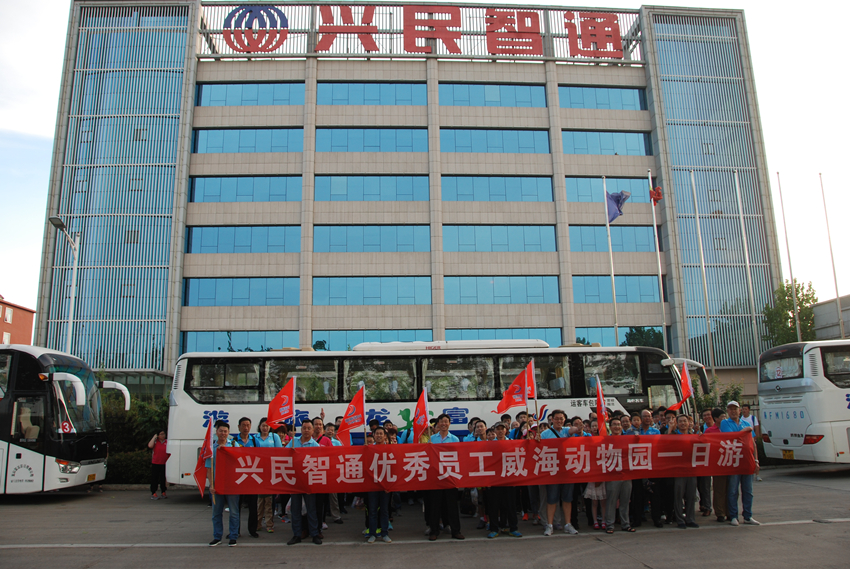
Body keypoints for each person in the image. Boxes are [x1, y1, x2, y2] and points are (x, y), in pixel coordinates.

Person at [540, 409, 579, 536]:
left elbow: (574, 430)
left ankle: (568, 524)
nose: (559, 421)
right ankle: (549, 525)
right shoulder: (545, 433)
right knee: (552, 499)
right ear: (551, 419)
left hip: (567, 470)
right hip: (552, 471)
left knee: (567, 498)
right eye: (556, 418)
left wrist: (577, 427)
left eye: (561, 419)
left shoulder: (567, 431)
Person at [720, 401, 760, 527]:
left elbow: (753, 443)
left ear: (739, 411)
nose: (733, 411)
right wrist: (746, 431)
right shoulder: (725, 423)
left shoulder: (746, 423)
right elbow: (732, 437)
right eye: (730, 409)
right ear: (727, 411)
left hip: (747, 461)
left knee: (748, 491)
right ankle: (733, 516)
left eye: (735, 409)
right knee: (733, 490)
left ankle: (748, 516)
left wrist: (756, 460)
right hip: (733, 461)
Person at [428, 414, 464, 541]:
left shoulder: (454, 439)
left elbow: (459, 457)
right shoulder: (432, 439)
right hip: (436, 478)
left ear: (449, 423)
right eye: (441, 422)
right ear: (437, 424)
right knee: (435, 506)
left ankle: (456, 530)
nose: (443, 424)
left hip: (450, 477)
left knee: (452, 506)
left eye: (446, 421)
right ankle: (434, 530)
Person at [288, 420, 322, 545]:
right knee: (295, 510)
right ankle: (296, 534)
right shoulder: (293, 442)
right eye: (304, 428)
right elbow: (282, 456)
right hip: (295, 481)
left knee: (311, 509)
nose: (306, 430)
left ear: (313, 430)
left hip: (309, 482)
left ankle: (314, 533)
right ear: (300, 429)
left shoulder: (315, 446)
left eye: (309, 428)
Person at [486, 423, 522, 538]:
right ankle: (494, 528)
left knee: (510, 505)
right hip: (495, 480)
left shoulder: (513, 442)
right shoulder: (490, 445)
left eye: (502, 429)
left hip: (509, 478)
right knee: (494, 506)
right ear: (495, 431)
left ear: (506, 430)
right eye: (498, 429)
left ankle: (513, 528)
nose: (500, 431)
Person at [208, 420, 239, 547]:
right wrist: (211, 485)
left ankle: (233, 536)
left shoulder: (234, 445)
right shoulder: (211, 448)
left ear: (229, 433)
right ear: (216, 432)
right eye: (220, 431)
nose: (223, 433)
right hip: (217, 485)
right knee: (216, 512)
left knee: (234, 512)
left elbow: (239, 461)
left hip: (231, 484)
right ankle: (217, 536)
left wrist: (227, 450)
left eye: (225, 431)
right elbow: (208, 468)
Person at [604, 417, 635, 534]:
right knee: (611, 501)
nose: (617, 427)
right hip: (613, 475)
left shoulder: (627, 439)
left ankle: (625, 524)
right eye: (614, 425)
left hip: (626, 474)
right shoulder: (606, 440)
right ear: (610, 427)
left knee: (625, 501)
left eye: (619, 424)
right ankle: (609, 525)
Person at [670, 414, 699, 529]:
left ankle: (690, 518)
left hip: (691, 470)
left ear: (688, 423)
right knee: (678, 495)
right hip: (679, 470)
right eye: (680, 421)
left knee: (691, 495)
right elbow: (665, 443)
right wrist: (670, 429)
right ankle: (680, 519)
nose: (683, 423)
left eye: (685, 421)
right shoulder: (674, 435)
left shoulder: (694, 436)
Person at [232, 417, 259, 538]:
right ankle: (235, 530)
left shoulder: (254, 440)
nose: (246, 428)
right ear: (239, 427)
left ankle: (252, 530)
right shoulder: (234, 441)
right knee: (236, 506)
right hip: (239, 477)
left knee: (253, 506)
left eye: (248, 425)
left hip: (252, 477)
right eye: (243, 425)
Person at [366, 427, 393, 543]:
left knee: (384, 510)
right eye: (377, 434)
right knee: (372, 510)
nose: (379, 436)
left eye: (381, 434)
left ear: (385, 436)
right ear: (373, 435)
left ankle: (384, 533)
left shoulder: (390, 449)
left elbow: (393, 468)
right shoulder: (369, 449)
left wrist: (390, 485)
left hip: (385, 485)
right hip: (372, 485)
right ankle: (373, 533)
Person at [255, 418, 282, 533]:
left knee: (269, 500)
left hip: (271, 470)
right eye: (263, 426)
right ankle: (258, 523)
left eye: (267, 426)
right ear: (259, 427)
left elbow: (280, 452)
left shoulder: (274, 437)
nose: (265, 428)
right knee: (260, 500)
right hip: (258, 471)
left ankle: (269, 524)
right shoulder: (255, 438)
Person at [704, 408, 728, 522]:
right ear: (716, 419)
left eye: (725, 417)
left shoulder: (728, 428)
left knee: (731, 489)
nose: (724, 419)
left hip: (730, 462)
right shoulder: (709, 431)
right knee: (719, 489)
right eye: (722, 417)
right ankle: (720, 513)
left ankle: (730, 511)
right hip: (717, 464)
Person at [698, 409, 714, 516]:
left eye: (709, 414)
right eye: (705, 415)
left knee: (707, 485)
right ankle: (703, 504)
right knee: (701, 485)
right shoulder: (700, 428)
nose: (707, 416)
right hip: (701, 459)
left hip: (713, 459)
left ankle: (708, 506)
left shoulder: (718, 427)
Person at [148, 430, 168, 500]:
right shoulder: (156, 442)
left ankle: (163, 491)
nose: (163, 435)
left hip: (164, 463)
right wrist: (154, 437)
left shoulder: (166, 442)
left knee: (163, 478)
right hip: (156, 463)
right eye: (161, 434)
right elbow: (150, 445)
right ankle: (153, 493)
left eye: (164, 434)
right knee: (154, 478)